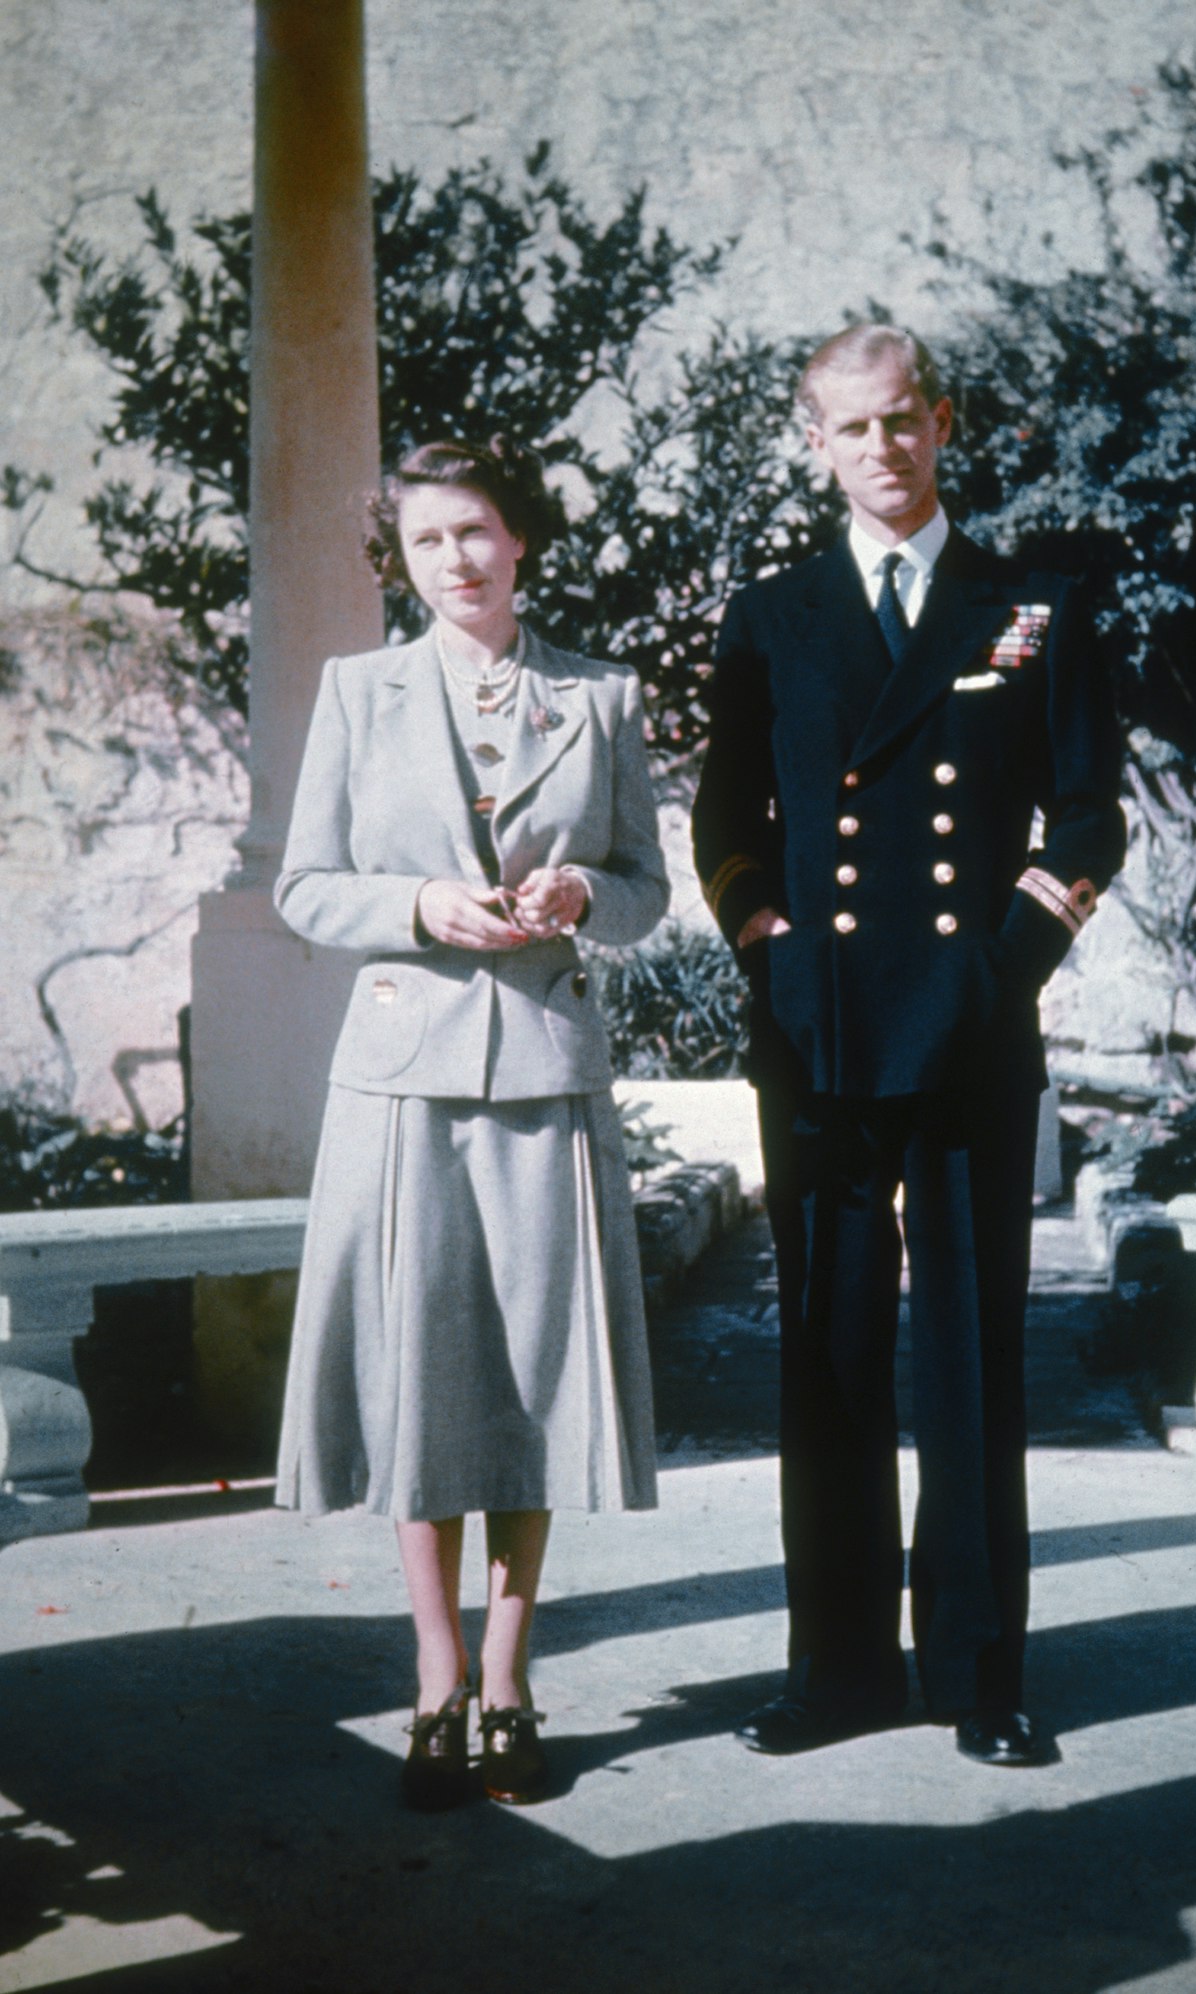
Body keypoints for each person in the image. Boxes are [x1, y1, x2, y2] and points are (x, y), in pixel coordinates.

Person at [692, 324, 1125, 1768]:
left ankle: (980, 1664)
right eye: (849, 429)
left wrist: (1003, 968)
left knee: (971, 1347)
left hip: (973, 1024)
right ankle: (837, 1664)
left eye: (902, 423)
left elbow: (1087, 816)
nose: (881, 450)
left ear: (942, 424)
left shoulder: (1037, 605)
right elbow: (728, 830)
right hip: (816, 1031)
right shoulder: (773, 614)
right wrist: (776, 961)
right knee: (825, 1349)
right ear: (813, 445)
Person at [273, 435, 668, 1810]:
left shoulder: (600, 695)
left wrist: (581, 906)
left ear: (522, 540)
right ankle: (434, 1677)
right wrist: (420, 907)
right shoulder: (358, 691)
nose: (459, 558)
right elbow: (306, 886)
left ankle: (510, 1676)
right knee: (417, 1379)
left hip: (548, 1072)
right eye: (431, 538)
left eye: (480, 531)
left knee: (534, 1382)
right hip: (400, 1081)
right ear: (404, 553)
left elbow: (644, 888)